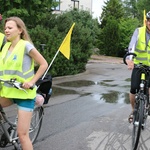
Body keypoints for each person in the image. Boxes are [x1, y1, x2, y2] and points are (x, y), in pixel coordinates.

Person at [0, 17, 48, 150]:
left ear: (20, 30)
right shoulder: (5, 47)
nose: (6, 31)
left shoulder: (26, 45)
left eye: (10, 28)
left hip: (25, 94)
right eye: (5, 28)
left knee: (22, 135)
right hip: (9, 91)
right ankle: (6, 131)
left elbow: (44, 64)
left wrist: (31, 81)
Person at [126, 11, 150, 123]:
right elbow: (132, 45)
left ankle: (147, 106)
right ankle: (133, 110)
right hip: (138, 65)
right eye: (149, 21)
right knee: (133, 88)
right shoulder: (139, 31)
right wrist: (129, 60)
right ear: (146, 21)